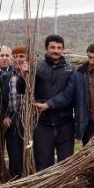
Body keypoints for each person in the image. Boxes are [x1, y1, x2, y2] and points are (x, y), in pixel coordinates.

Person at [39, 42, 94, 147]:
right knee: (91, 157)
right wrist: (48, 104)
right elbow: (67, 95)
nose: (92, 61)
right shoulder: (79, 75)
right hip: (88, 123)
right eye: (89, 57)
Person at [33, 35, 75, 170]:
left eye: (59, 48)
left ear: (62, 49)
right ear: (46, 48)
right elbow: (22, 89)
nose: (55, 50)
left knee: (66, 164)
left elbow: (69, 94)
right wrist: (24, 75)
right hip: (42, 124)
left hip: (65, 123)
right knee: (43, 164)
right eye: (52, 47)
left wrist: (48, 105)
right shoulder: (37, 67)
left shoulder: (70, 69)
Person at [0, 46, 26, 177]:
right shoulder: (7, 77)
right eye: (15, 57)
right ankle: (16, 179)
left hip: (29, 119)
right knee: (14, 155)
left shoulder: (34, 74)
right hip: (13, 119)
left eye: (21, 56)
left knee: (29, 152)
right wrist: (4, 116)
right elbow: (1, 100)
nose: (18, 59)